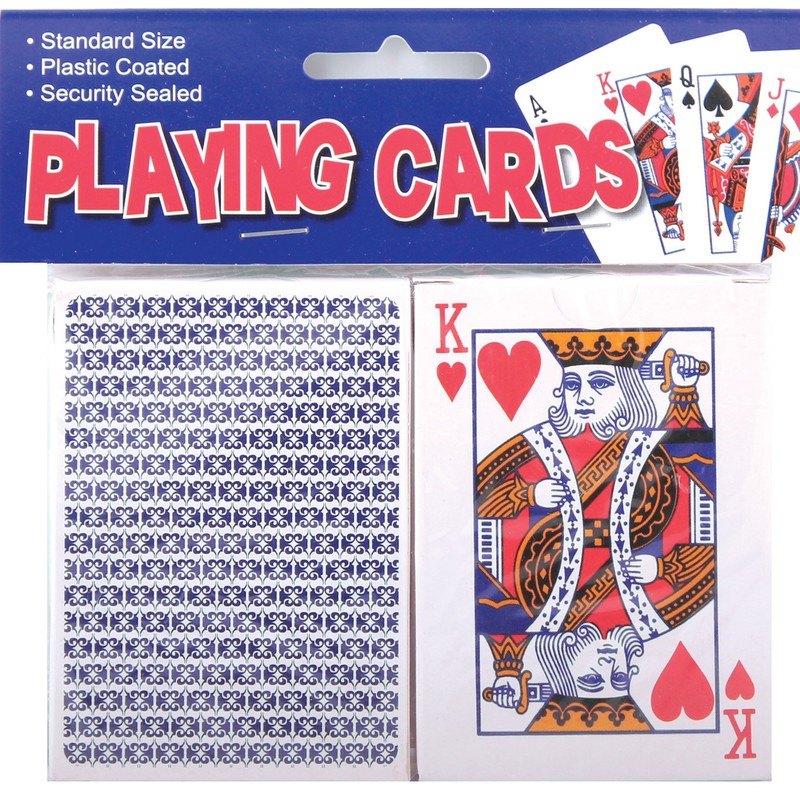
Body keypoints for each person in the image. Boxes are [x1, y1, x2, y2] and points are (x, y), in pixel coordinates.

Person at [476, 329, 715, 724]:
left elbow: (495, 595)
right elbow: (480, 505)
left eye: (600, 384)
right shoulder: (653, 614)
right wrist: (684, 394)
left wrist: (508, 672)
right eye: (573, 385)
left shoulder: (649, 448)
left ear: (629, 392)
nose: (583, 397)